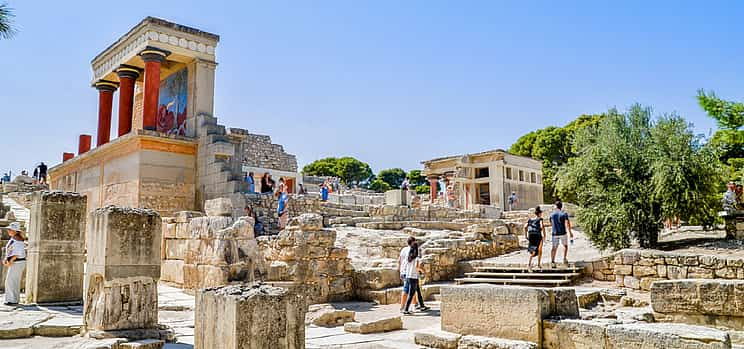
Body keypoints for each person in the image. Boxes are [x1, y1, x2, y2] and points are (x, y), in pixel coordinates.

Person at [402, 242, 430, 315]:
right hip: (413, 277)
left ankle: (422, 306)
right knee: (411, 294)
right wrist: (424, 271)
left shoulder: (409, 258)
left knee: (418, 291)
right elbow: (417, 267)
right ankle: (406, 309)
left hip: (408, 276)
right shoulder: (416, 258)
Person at [3, 222, 27, 305]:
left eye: (10, 229)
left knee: (10, 281)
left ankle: (12, 300)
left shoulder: (18, 240)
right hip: (15, 262)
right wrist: (6, 259)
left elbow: (17, 254)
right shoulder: (14, 238)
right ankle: (13, 299)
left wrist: (10, 261)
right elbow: (10, 250)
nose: (8, 231)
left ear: (16, 231)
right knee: (12, 281)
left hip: (17, 262)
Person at [549, 201, 573, 268]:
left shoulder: (552, 215)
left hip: (555, 233)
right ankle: (564, 259)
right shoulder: (564, 214)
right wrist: (570, 232)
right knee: (565, 246)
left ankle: (553, 262)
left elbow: (551, 223)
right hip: (563, 232)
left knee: (554, 248)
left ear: (556, 206)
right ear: (561, 206)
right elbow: (567, 223)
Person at [398, 237, 418, 311]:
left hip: (403, 271)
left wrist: (400, 271)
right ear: (412, 242)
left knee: (413, 288)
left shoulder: (403, 249)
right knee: (406, 289)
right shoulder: (411, 250)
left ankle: (415, 303)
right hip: (408, 272)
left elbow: (399, 260)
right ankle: (402, 307)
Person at [524, 206, 546, 271]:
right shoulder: (540, 219)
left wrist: (526, 236)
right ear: (539, 214)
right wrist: (544, 235)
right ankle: (539, 265)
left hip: (531, 235)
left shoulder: (530, 220)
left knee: (533, 251)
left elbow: (525, 227)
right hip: (538, 235)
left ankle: (529, 265)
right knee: (539, 250)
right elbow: (542, 226)